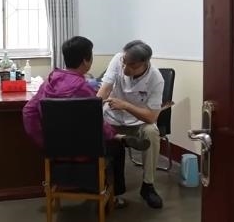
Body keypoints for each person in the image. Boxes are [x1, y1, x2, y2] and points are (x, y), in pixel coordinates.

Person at [22, 36, 149, 208]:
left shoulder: (48, 83)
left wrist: (44, 142)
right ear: (85, 60)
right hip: (85, 151)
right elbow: (95, 123)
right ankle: (112, 196)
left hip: (56, 149)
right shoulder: (84, 89)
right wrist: (113, 134)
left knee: (104, 135)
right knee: (117, 147)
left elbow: (28, 112)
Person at [97, 40, 165, 209]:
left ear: (145, 63)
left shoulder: (156, 79)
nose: (126, 69)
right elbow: (105, 89)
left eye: (132, 65)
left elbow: (151, 117)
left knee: (151, 132)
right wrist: (92, 110)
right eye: (124, 62)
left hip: (137, 123)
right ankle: (108, 189)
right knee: (101, 134)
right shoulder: (117, 59)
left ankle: (148, 186)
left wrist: (126, 105)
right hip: (112, 119)